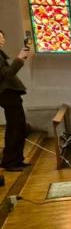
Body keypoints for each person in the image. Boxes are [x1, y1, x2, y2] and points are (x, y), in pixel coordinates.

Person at [0, 30, 31, 171]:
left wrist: (21, 58)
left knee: (19, 127)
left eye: (2, 37)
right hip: (7, 95)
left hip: (11, 95)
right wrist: (19, 59)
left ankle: (17, 159)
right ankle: (10, 162)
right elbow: (7, 74)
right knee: (15, 129)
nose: (2, 40)